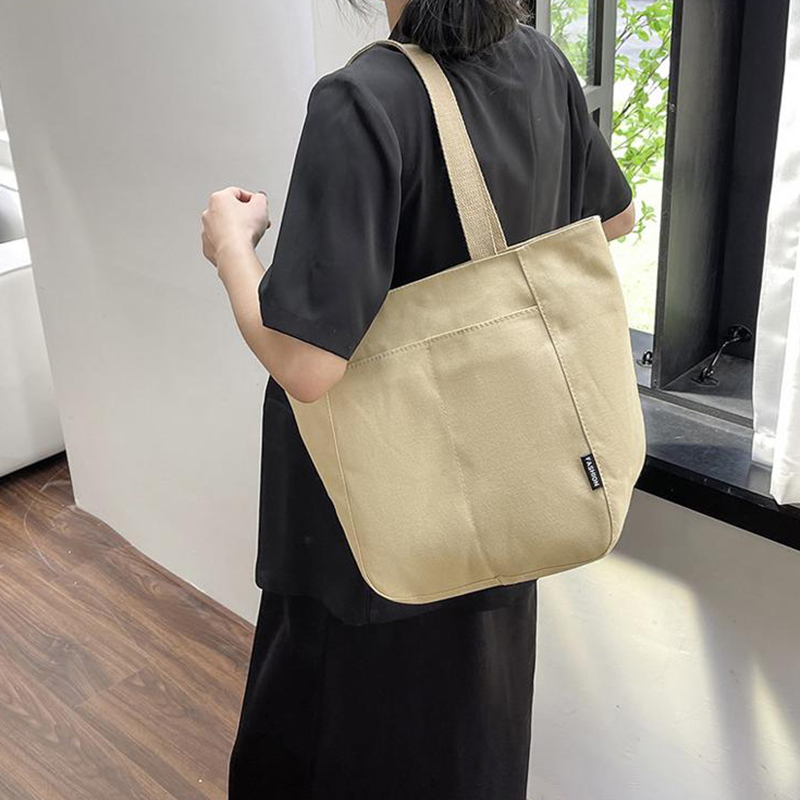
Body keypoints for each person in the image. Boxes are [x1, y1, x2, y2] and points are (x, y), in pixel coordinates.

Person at [201, 0, 635, 797]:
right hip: (510, 500)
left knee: (334, 749)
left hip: (372, 537)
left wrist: (232, 248)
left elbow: (306, 364)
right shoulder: (541, 63)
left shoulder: (364, 100)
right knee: (470, 749)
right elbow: (617, 217)